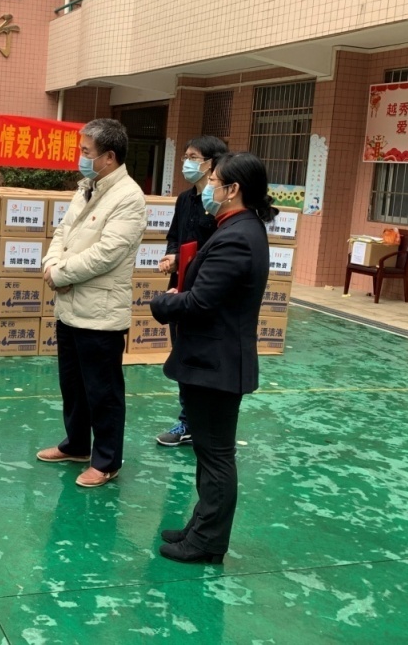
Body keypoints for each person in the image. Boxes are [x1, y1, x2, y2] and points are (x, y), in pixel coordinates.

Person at [149, 152, 276, 563]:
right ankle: (200, 527)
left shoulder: (237, 236)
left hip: (215, 363)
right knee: (208, 452)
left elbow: (201, 302)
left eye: (214, 182)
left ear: (233, 189)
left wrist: (164, 302)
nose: (207, 188)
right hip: (211, 360)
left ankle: (208, 542)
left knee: (217, 456)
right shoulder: (236, 228)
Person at [38, 118, 147, 488]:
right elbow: (63, 233)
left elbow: (108, 253)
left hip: (100, 313)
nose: (81, 158)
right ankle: (76, 445)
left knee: (103, 391)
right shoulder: (87, 187)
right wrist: (51, 264)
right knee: (73, 384)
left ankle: (106, 460)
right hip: (70, 306)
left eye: (87, 152)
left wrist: (61, 273)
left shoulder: (129, 197)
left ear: (109, 157)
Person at [155, 135, 228, 447]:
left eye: (193, 157)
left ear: (211, 163)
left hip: (207, 291)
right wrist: (172, 256)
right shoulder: (185, 200)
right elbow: (176, 236)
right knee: (182, 354)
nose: (187, 162)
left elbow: (218, 249)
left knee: (205, 357)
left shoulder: (220, 203)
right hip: (180, 288)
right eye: (185, 156)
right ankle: (187, 421)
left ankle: (206, 422)